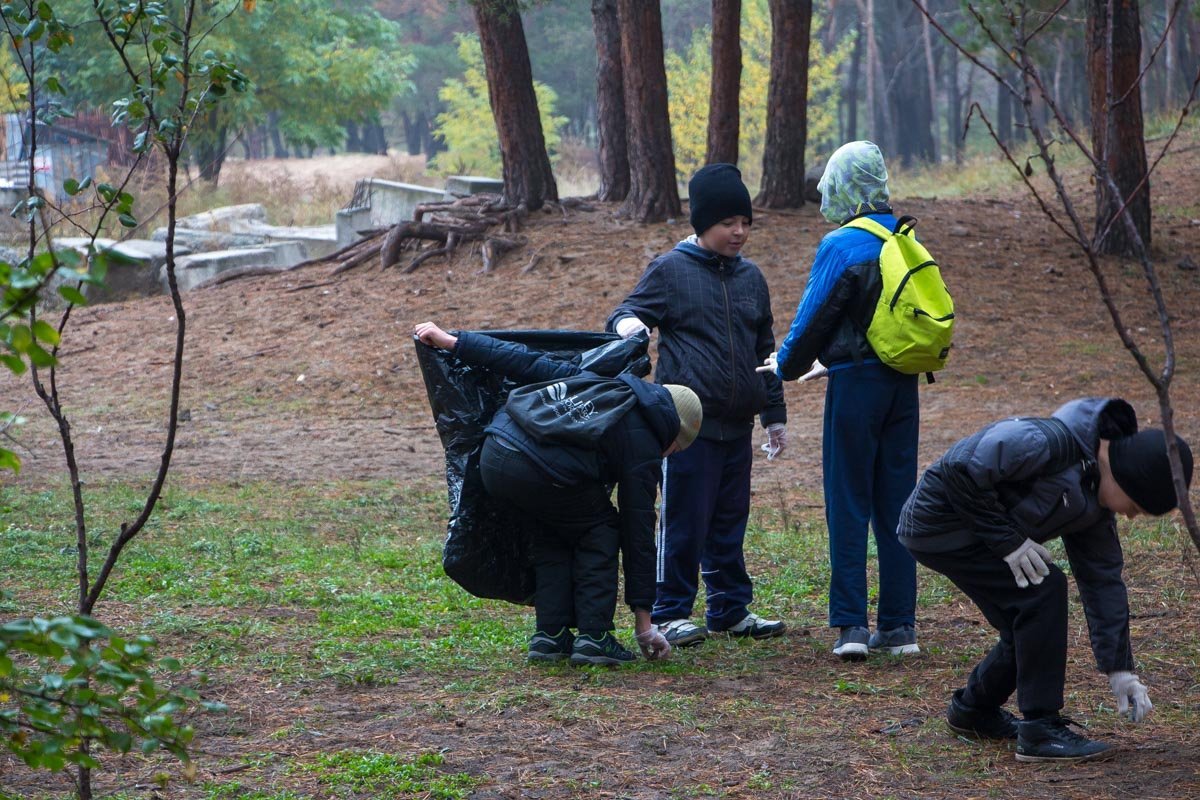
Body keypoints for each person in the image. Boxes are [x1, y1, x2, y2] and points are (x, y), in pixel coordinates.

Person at [898, 397, 1193, 762]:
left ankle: (973, 710)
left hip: (977, 535)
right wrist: (1009, 542)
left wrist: (1120, 668)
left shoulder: (1094, 507)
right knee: (1044, 591)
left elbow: (1102, 583)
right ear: (1124, 477)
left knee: (1028, 619)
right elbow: (959, 469)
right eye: (1135, 507)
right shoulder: (1044, 442)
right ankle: (1039, 730)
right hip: (938, 525)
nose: (1130, 517)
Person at [413, 321, 704, 666]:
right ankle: (595, 639)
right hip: (536, 467)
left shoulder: (602, 382)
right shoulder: (645, 441)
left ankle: (550, 637)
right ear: (675, 433)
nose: (670, 455)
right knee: (601, 531)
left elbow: (527, 361)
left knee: (553, 530)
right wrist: (644, 625)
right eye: (676, 449)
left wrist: (454, 341)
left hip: (494, 454)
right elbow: (637, 531)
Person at [606, 162, 788, 648]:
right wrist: (630, 329)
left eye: (746, 222)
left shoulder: (752, 278)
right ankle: (669, 611)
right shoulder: (670, 270)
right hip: (688, 427)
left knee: (730, 519)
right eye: (729, 222)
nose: (740, 232)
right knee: (685, 520)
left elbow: (766, 350)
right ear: (703, 222)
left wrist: (774, 415)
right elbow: (625, 313)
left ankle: (729, 609)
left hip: (738, 425)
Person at [764, 141, 919, 661]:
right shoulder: (902, 236)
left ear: (842, 185)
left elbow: (814, 316)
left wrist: (784, 366)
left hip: (855, 386)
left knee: (848, 502)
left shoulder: (842, 244)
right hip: (903, 382)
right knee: (896, 503)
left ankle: (851, 625)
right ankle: (900, 628)